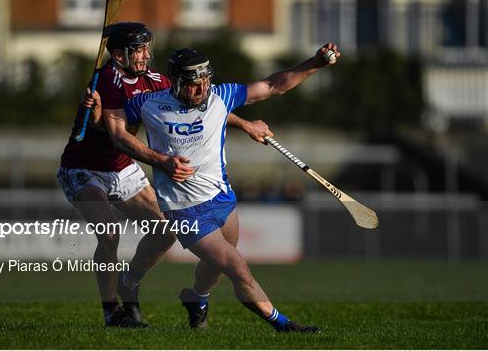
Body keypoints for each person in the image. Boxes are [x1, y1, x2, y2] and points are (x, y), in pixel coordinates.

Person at [91, 43, 341, 332]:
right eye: (193, 85)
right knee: (238, 269)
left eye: (205, 81)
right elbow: (115, 132)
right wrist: (97, 113)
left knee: (216, 268)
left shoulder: (220, 96)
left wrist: (315, 62)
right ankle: (284, 325)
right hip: (185, 211)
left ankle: (196, 298)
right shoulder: (149, 104)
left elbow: (274, 85)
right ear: (176, 82)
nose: (201, 90)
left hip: (222, 199)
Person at [57, 22, 274, 328]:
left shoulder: (156, 81)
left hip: (122, 167)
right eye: (139, 50)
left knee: (166, 229)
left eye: (148, 47)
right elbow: (110, 131)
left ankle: (129, 282)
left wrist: (246, 124)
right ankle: (112, 313)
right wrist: (94, 116)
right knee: (109, 233)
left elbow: (204, 106)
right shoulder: (107, 80)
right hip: (84, 168)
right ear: (119, 55)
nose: (146, 55)